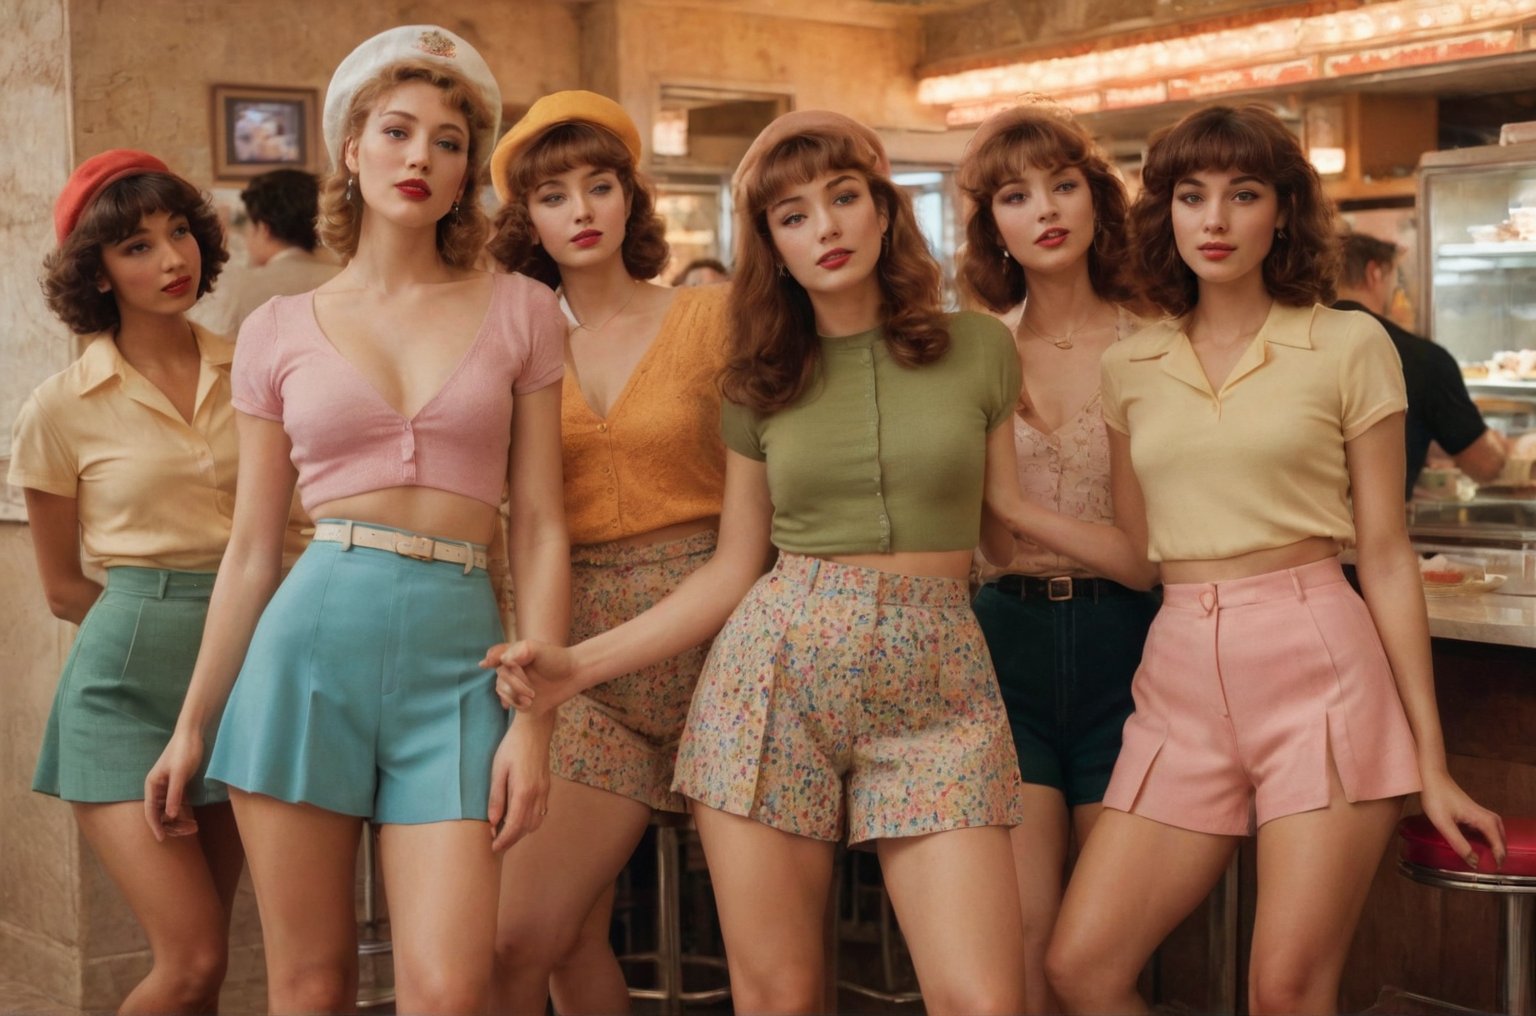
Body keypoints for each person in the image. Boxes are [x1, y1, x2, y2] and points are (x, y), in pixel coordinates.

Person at [492, 109, 1039, 1015]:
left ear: (885, 209)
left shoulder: (978, 347)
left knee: (986, 1000)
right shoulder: (760, 375)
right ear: (768, 242)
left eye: (844, 198)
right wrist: (567, 665)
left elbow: (1005, 529)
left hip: (939, 682)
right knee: (776, 997)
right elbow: (728, 560)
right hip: (768, 673)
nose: (825, 226)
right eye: (791, 215)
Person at [1027, 104, 1505, 1015]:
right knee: (1081, 967)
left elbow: (1387, 555)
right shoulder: (1133, 366)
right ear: (1163, 211)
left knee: (1285, 991)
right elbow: (1139, 555)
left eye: (1242, 195)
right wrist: (1009, 506)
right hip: (1176, 681)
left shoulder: (1349, 343)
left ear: (1281, 212)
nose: (1214, 220)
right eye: (1191, 196)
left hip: (1318, 663)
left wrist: (1432, 760)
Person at [143, 26, 569, 1013]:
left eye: (449, 140)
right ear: (351, 147)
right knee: (308, 981)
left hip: (464, 665)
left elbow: (542, 524)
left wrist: (536, 719)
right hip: (306, 654)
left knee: (454, 985)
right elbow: (250, 550)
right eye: (397, 130)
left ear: (468, 170)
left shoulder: (521, 310)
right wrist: (194, 723)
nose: (420, 155)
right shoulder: (276, 329)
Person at [11, 149, 288, 1013]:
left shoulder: (258, 367)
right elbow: (61, 586)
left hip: (248, 673)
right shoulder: (59, 407)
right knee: (193, 960)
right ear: (94, 271)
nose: (172, 260)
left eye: (179, 234)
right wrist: (157, 616)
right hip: (123, 690)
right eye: (136, 246)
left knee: (214, 954)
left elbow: (298, 523)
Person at [483, 89, 730, 1015]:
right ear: (527, 218)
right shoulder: (513, 335)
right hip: (574, 651)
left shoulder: (714, 319)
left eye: (599, 186)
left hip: (719, 638)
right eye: (553, 195)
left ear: (632, 198)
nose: (581, 211)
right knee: (533, 941)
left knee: (769, 956)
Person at [955, 102, 1159, 1015]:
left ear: (1096, 200)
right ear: (989, 222)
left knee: (1099, 951)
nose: (1045, 208)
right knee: (1026, 937)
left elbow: (1142, 562)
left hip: (1136, 650)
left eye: (1064, 184)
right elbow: (987, 547)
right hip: (1004, 646)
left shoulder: (1153, 342)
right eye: (1014, 193)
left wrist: (1012, 507)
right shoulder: (973, 348)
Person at [1334, 231, 1506, 497]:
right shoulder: (1422, 358)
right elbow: (1485, 465)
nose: (1398, 289)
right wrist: (1505, 447)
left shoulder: (1292, 340)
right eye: (1397, 278)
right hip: (1373, 531)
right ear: (1375, 273)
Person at [193, 169, 340, 337]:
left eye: (248, 225)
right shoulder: (341, 277)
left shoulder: (244, 290)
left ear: (263, 229)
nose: (246, 237)